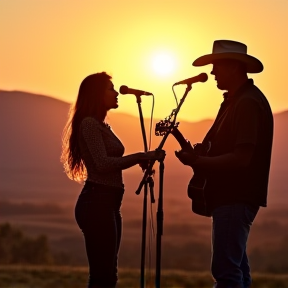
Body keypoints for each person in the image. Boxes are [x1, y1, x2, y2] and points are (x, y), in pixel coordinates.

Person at [172, 40, 273, 288]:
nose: (213, 72)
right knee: (237, 270)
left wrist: (198, 161)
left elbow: (241, 158)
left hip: (235, 196)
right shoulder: (235, 101)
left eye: (217, 66)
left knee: (226, 273)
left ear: (233, 67)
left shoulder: (247, 103)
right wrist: (200, 158)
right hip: (233, 197)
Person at [60, 72, 165, 288]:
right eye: (111, 89)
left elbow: (110, 161)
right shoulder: (89, 124)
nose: (116, 93)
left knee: (108, 274)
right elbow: (102, 164)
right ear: (97, 94)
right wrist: (139, 157)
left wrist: (138, 160)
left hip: (108, 204)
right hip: (97, 203)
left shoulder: (101, 124)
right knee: (103, 276)